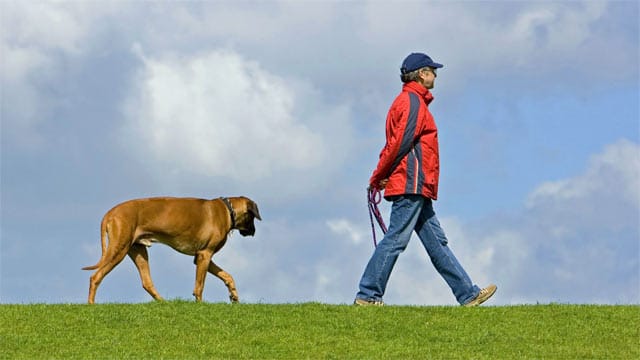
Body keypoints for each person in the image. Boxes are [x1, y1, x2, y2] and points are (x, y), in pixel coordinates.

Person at [354, 52, 496, 307]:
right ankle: (368, 294)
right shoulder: (411, 103)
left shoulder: (410, 102)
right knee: (396, 239)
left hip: (416, 184)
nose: (436, 75)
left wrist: (384, 175)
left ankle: (468, 294)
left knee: (437, 243)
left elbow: (396, 144)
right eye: (432, 70)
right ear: (421, 73)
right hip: (412, 183)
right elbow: (399, 144)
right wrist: (379, 176)